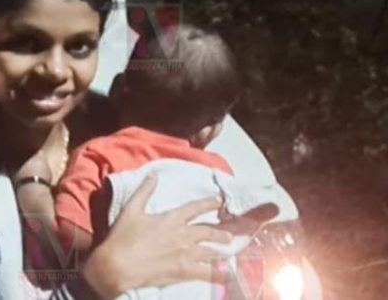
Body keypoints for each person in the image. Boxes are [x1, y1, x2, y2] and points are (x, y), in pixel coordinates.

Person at [0, 0, 235, 299]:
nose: (55, 70)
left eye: (80, 46)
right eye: (27, 43)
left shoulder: (123, 134)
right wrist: (97, 282)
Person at [15, 23, 301, 299]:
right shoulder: (220, 173)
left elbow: (70, 239)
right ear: (211, 128)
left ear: (117, 89)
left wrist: (33, 187)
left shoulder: (99, 156)